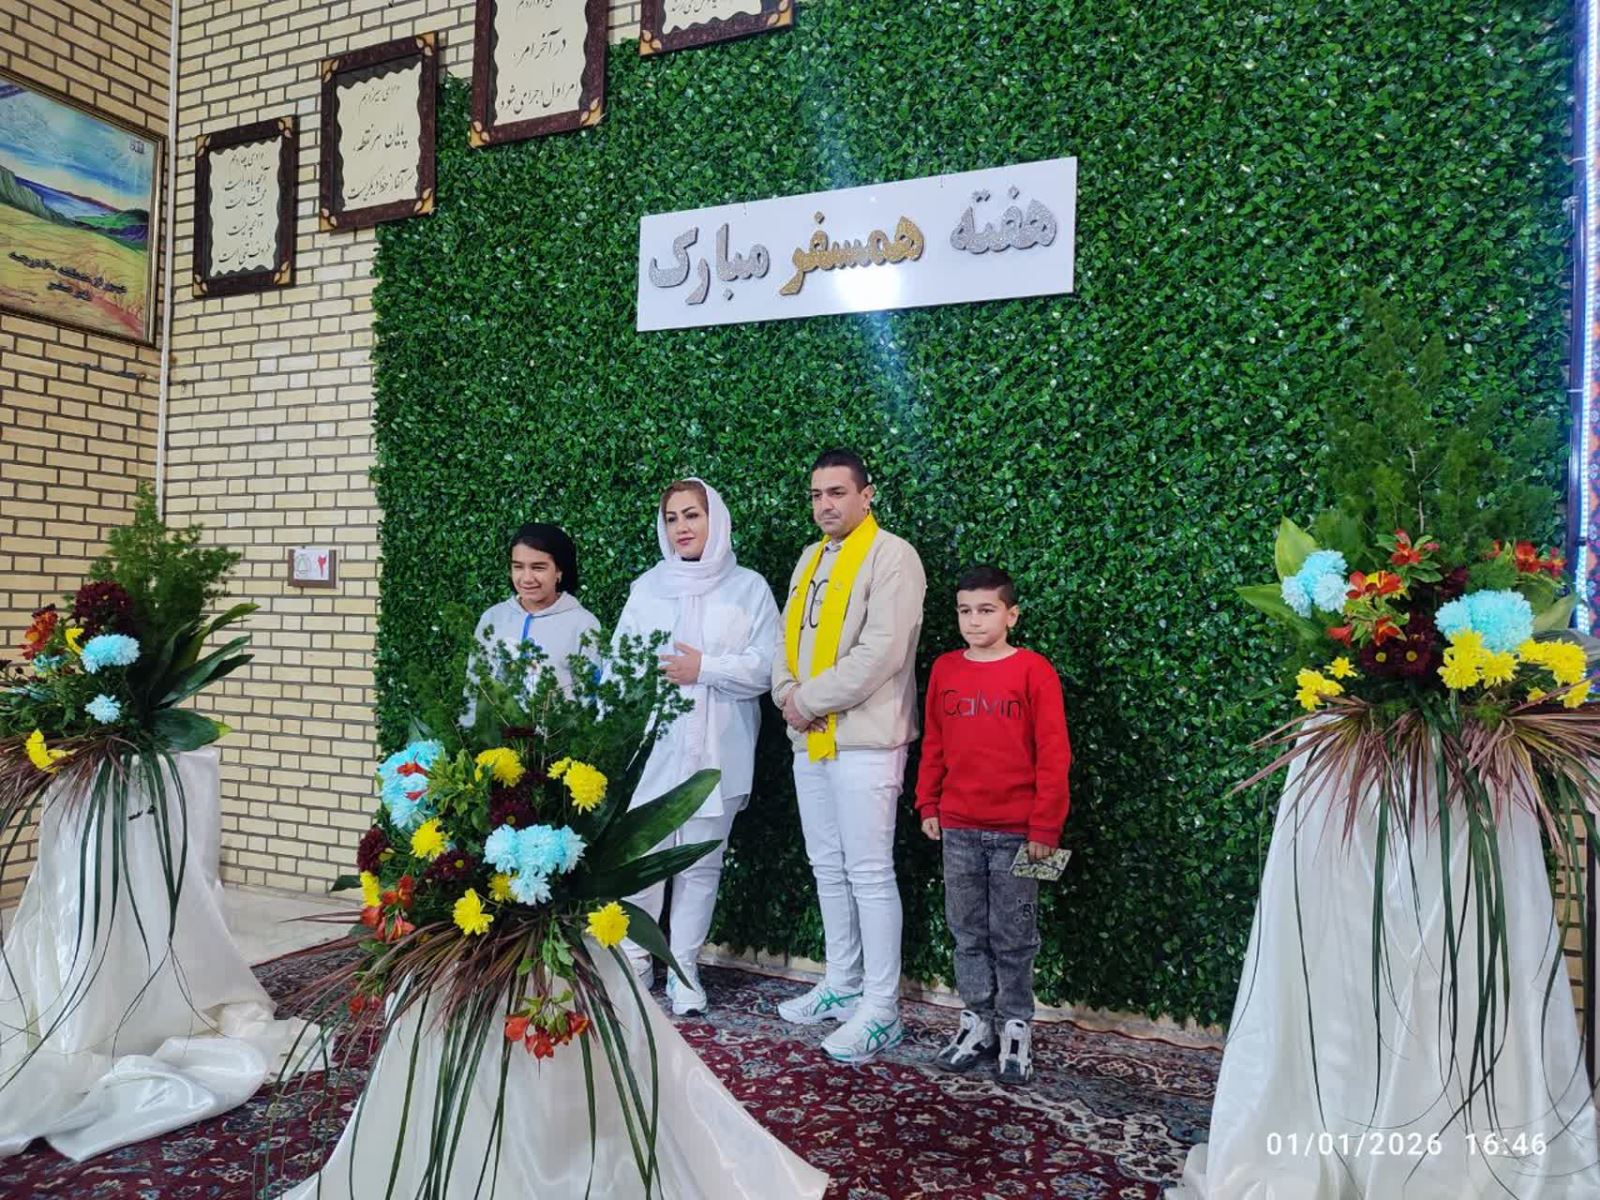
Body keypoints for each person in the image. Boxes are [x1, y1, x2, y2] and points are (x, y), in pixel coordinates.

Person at [771, 448, 926, 1064]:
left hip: (865, 739)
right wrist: (786, 693)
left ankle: (882, 1010)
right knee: (827, 867)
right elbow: (784, 639)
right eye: (816, 495)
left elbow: (882, 652)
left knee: (868, 872)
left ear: (867, 495)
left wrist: (805, 699)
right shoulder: (810, 559)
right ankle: (842, 983)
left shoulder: (893, 556)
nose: (825, 505)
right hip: (808, 736)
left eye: (837, 492)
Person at [612, 479, 781, 1015]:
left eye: (692, 515)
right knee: (643, 858)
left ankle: (684, 969)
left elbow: (767, 667)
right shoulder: (647, 589)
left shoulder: (748, 588)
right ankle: (636, 962)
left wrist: (704, 668)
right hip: (654, 751)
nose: (681, 527)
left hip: (719, 750)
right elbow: (620, 664)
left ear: (716, 520)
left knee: (701, 866)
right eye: (671, 518)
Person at [914, 566, 1071, 1086]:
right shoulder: (945, 669)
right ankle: (977, 1021)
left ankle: (1016, 1026)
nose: (974, 621)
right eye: (965, 610)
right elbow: (934, 740)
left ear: (1011, 615)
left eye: (986, 610)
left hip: (1018, 833)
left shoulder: (1034, 671)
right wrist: (928, 802)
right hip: (958, 828)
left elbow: (1054, 754)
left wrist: (1045, 828)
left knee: (1015, 934)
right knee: (966, 931)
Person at [464, 522, 599, 722]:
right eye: (518, 566)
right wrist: (468, 732)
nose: (527, 578)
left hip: (557, 738)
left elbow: (591, 698)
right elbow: (474, 685)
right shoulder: (493, 618)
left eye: (538, 567)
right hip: (495, 738)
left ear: (559, 571)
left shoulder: (584, 624)